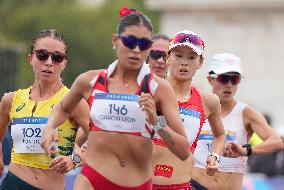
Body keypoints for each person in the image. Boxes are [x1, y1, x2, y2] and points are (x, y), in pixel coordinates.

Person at [41, 7, 189, 190]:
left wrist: (156, 121)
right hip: (92, 179)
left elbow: (183, 151)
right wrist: (49, 126)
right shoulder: (90, 80)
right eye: (129, 41)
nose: (136, 49)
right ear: (116, 41)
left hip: (137, 183)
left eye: (143, 44)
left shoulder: (159, 88)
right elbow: (63, 108)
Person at [0, 29, 89, 190]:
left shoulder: (73, 102)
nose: (49, 62)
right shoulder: (10, 100)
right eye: (42, 55)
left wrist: (74, 159)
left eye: (57, 57)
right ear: (30, 58)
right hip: (12, 183)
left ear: (64, 63)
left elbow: (105, 143)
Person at [191, 53, 283, 190]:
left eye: (235, 79)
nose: (229, 85)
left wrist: (246, 151)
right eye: (224, 78)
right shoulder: (196, 108)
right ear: (210, 79)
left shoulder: (245, 113)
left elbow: (277, 142)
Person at [152, 30, 226, 190]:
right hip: (144, 185)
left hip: (181, 185)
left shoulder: (208, 101)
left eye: (191, 57)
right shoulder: (151, 90)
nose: (184, 62)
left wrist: (214, 157)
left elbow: (220, 135)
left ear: (200, 63)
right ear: (168, 58)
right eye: (178, 55)